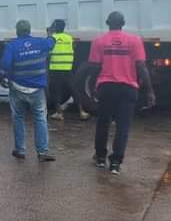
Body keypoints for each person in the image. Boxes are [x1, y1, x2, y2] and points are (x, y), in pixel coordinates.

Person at [88, 11, 155, 175]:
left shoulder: (98, 41)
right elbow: (141, 67)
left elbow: (94, 68)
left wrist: (92, 87)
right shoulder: (134, 41)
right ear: (123, 23)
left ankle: (100, 157)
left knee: (103, 123)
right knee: (123, 126)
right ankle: (115, 163)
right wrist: (149, 91)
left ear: (107, 22)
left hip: (106, 87)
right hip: (128, 88)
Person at [0, 20, 57, 162]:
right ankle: (42, 152)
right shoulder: (41, 43)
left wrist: (2, 77)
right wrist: (50, 34)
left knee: (18, 117)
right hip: (37, 90)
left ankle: (20, 150)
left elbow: (5, 65)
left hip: (17, 88)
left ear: (17, 31)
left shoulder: (12, 46)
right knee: (40, 118)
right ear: (29, 30)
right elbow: (51, 43)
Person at [47, 19, 89, 121]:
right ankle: (82, 112)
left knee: (55, 91)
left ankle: (59, 113)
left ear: (55, 28)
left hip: (55, 69)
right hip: (67, 69)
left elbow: (47, 50)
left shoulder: (52, 38)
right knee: (73, 90)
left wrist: (49, 33)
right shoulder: (69, 38)